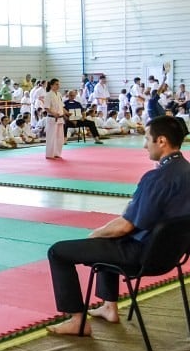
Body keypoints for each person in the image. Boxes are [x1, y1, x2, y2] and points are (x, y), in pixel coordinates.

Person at [47, 116, 190, 337]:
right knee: (108, 238)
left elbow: (125, 227)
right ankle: (108, 306)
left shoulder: (157, 178)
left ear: (161, 141)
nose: (144, 144)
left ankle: (77, 320)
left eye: (146, 138)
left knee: (58, 251)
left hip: (141, 254)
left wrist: (95, 234)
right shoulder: (186, 171)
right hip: (172, 255)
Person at [44, 78, 66, 160]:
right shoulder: (48, 95)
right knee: (51, 137)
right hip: (52, 118)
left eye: (58, 84)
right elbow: (46, 108)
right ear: (51, 85)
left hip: (60, 118)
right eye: (56, 84)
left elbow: (61, 106)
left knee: (59, 137)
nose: (58, 86)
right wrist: (54, 113)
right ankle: (49, 154)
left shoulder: (59, 94)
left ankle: (57, 153)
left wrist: (66, 113)